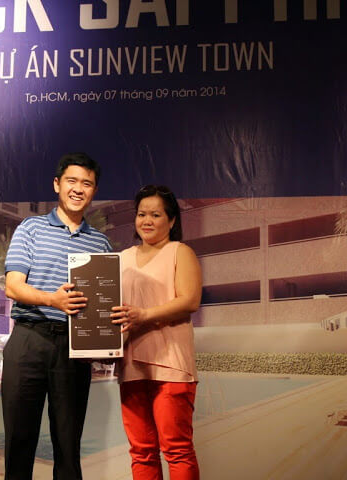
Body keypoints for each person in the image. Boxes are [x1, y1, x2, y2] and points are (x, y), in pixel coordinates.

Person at [2, 152, 112, 480]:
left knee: (68, 444)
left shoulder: (101, 242)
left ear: (94, 190)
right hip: (29, 340)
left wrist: (111, 325)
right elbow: (13, 286)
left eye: (87, 183)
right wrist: (53, 300)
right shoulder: (30, 228)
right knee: (19, 440)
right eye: (71, 181)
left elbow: (103, 300)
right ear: (57, 184)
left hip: (74, 349)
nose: (78, 189)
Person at [110, 185, 202, 480]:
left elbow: (190, 301)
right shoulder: (122, 258)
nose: (146, 220)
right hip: (131, 365)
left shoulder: (180, 252)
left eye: (155, 214)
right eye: (141, 214)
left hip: (170, 364)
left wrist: (144, 315)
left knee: (177, 449)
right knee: (141, 452)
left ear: (171, 220)